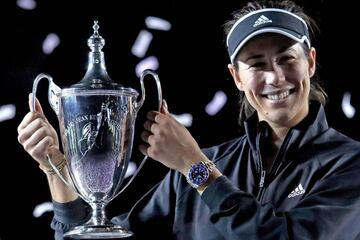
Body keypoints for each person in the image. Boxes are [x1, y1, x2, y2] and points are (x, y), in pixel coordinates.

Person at [17, 0, 360, 239]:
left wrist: (197, 168)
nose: (274, 77)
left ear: (310, 62)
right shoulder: (199, 169)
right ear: (237, 77)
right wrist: (57, 168)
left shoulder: (349, 163)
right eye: (256, 64)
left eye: (287, 58)